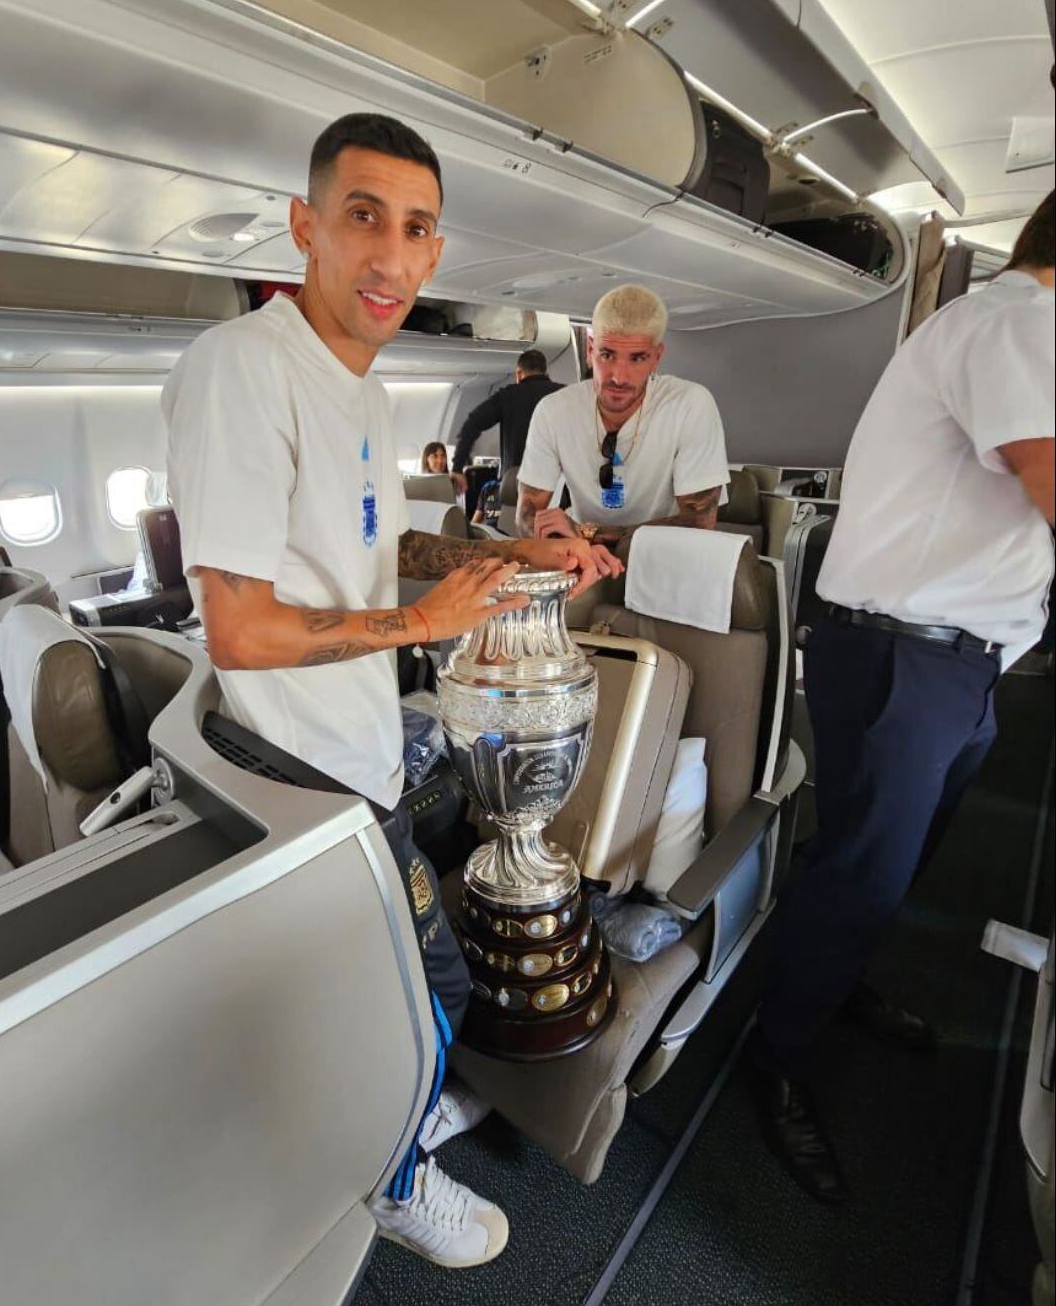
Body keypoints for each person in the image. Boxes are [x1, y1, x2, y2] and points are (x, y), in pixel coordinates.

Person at [162, 111, 621, 1269]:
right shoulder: (243, 372)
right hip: (300, 771)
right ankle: (397, 1177)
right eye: (362, 217)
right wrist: (420, 627)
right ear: (305, 228)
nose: (390, 254)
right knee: (433, 989)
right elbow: (241, 627)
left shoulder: (363, 392)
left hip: (358, 744)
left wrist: (512, 558)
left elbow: (372, 562)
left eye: (416, 228)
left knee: (408, 990)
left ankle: (392, 1123)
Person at [748, 191, 1056, 1205]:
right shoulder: (1014, 322)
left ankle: (829, 981)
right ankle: (777, 1057)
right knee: (862, 873)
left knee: (891, 865)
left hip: (950, 664)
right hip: (901, 661)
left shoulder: (1016, 331)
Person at [515, 285, 729, 547]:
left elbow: (699, 523)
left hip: (666, 559)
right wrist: (565, 540)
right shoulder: (553, 411)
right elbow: (527, 517)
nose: (618, 376)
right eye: (607, 355)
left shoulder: (689, 405)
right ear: (590, 350)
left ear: (656, 358)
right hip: (582, 561)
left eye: (637, 358)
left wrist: (586, 533)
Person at [449, 348, 562, 493]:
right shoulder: (563, 395)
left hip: (516, 484)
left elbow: (472, 423)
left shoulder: (507, 396)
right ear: (547, 374)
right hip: (555, 483)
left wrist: (457, 467)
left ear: (519, 374)